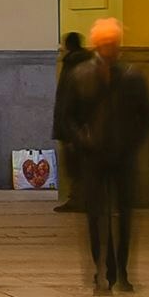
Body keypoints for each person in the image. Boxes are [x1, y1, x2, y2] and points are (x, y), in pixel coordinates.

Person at [58, 17, 149, 294]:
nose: (110, 48)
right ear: (97, 45)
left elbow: (148, 115)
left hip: (123, 157)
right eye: (105, 44)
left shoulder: (131, 77)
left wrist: (133, 141)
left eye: (113, 44)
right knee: (97, 216)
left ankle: (121, 271)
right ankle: (101, 270)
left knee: (124, 216)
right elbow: (68, 117)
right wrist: (82, 139)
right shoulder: (81, 76)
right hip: (93, 157)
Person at [51, 31, 91, 212]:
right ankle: (80, 198)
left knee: (77, 164)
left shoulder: (73, 64)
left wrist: (70, 125)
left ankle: (79, 199)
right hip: (78, 123)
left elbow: (69, 97)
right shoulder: (85, 62)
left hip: (74, 123)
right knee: (79, 164)